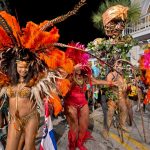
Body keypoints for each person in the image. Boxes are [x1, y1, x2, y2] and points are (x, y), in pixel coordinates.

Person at [0, 1, 86, 148]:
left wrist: (72, 68)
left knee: (29, 147)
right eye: (20, 66)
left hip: (31, 118)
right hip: (14, 120)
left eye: (26, 66)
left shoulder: (36, 80)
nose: (23, 70)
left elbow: (58, 72)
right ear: (14, 65)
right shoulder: (7, 79)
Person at [64, 43, 117, 150]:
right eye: (77, 62)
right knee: (74, 127)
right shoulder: (68, 74)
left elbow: (96, 81)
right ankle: (72, 146)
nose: (79, 64)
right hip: (70, 104)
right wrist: (73, 69)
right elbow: (62, 81)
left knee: (83, 126)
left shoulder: (84, 75)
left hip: (83, 103)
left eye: (81, 62)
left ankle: (79, 143)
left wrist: (111, 83)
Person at [106, 62, 132, 134]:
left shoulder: (122, 76)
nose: (118, 67)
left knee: (124, 109)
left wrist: (126, 86)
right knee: (111, 111)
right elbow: (108, 84)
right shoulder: (110, 75)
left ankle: (122, 125)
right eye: (117, 66)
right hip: (112, 97)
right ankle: (107, 127)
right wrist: (114, 82)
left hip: (120, 97)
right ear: (113, 66)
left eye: (120, 66)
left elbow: (124, 86)